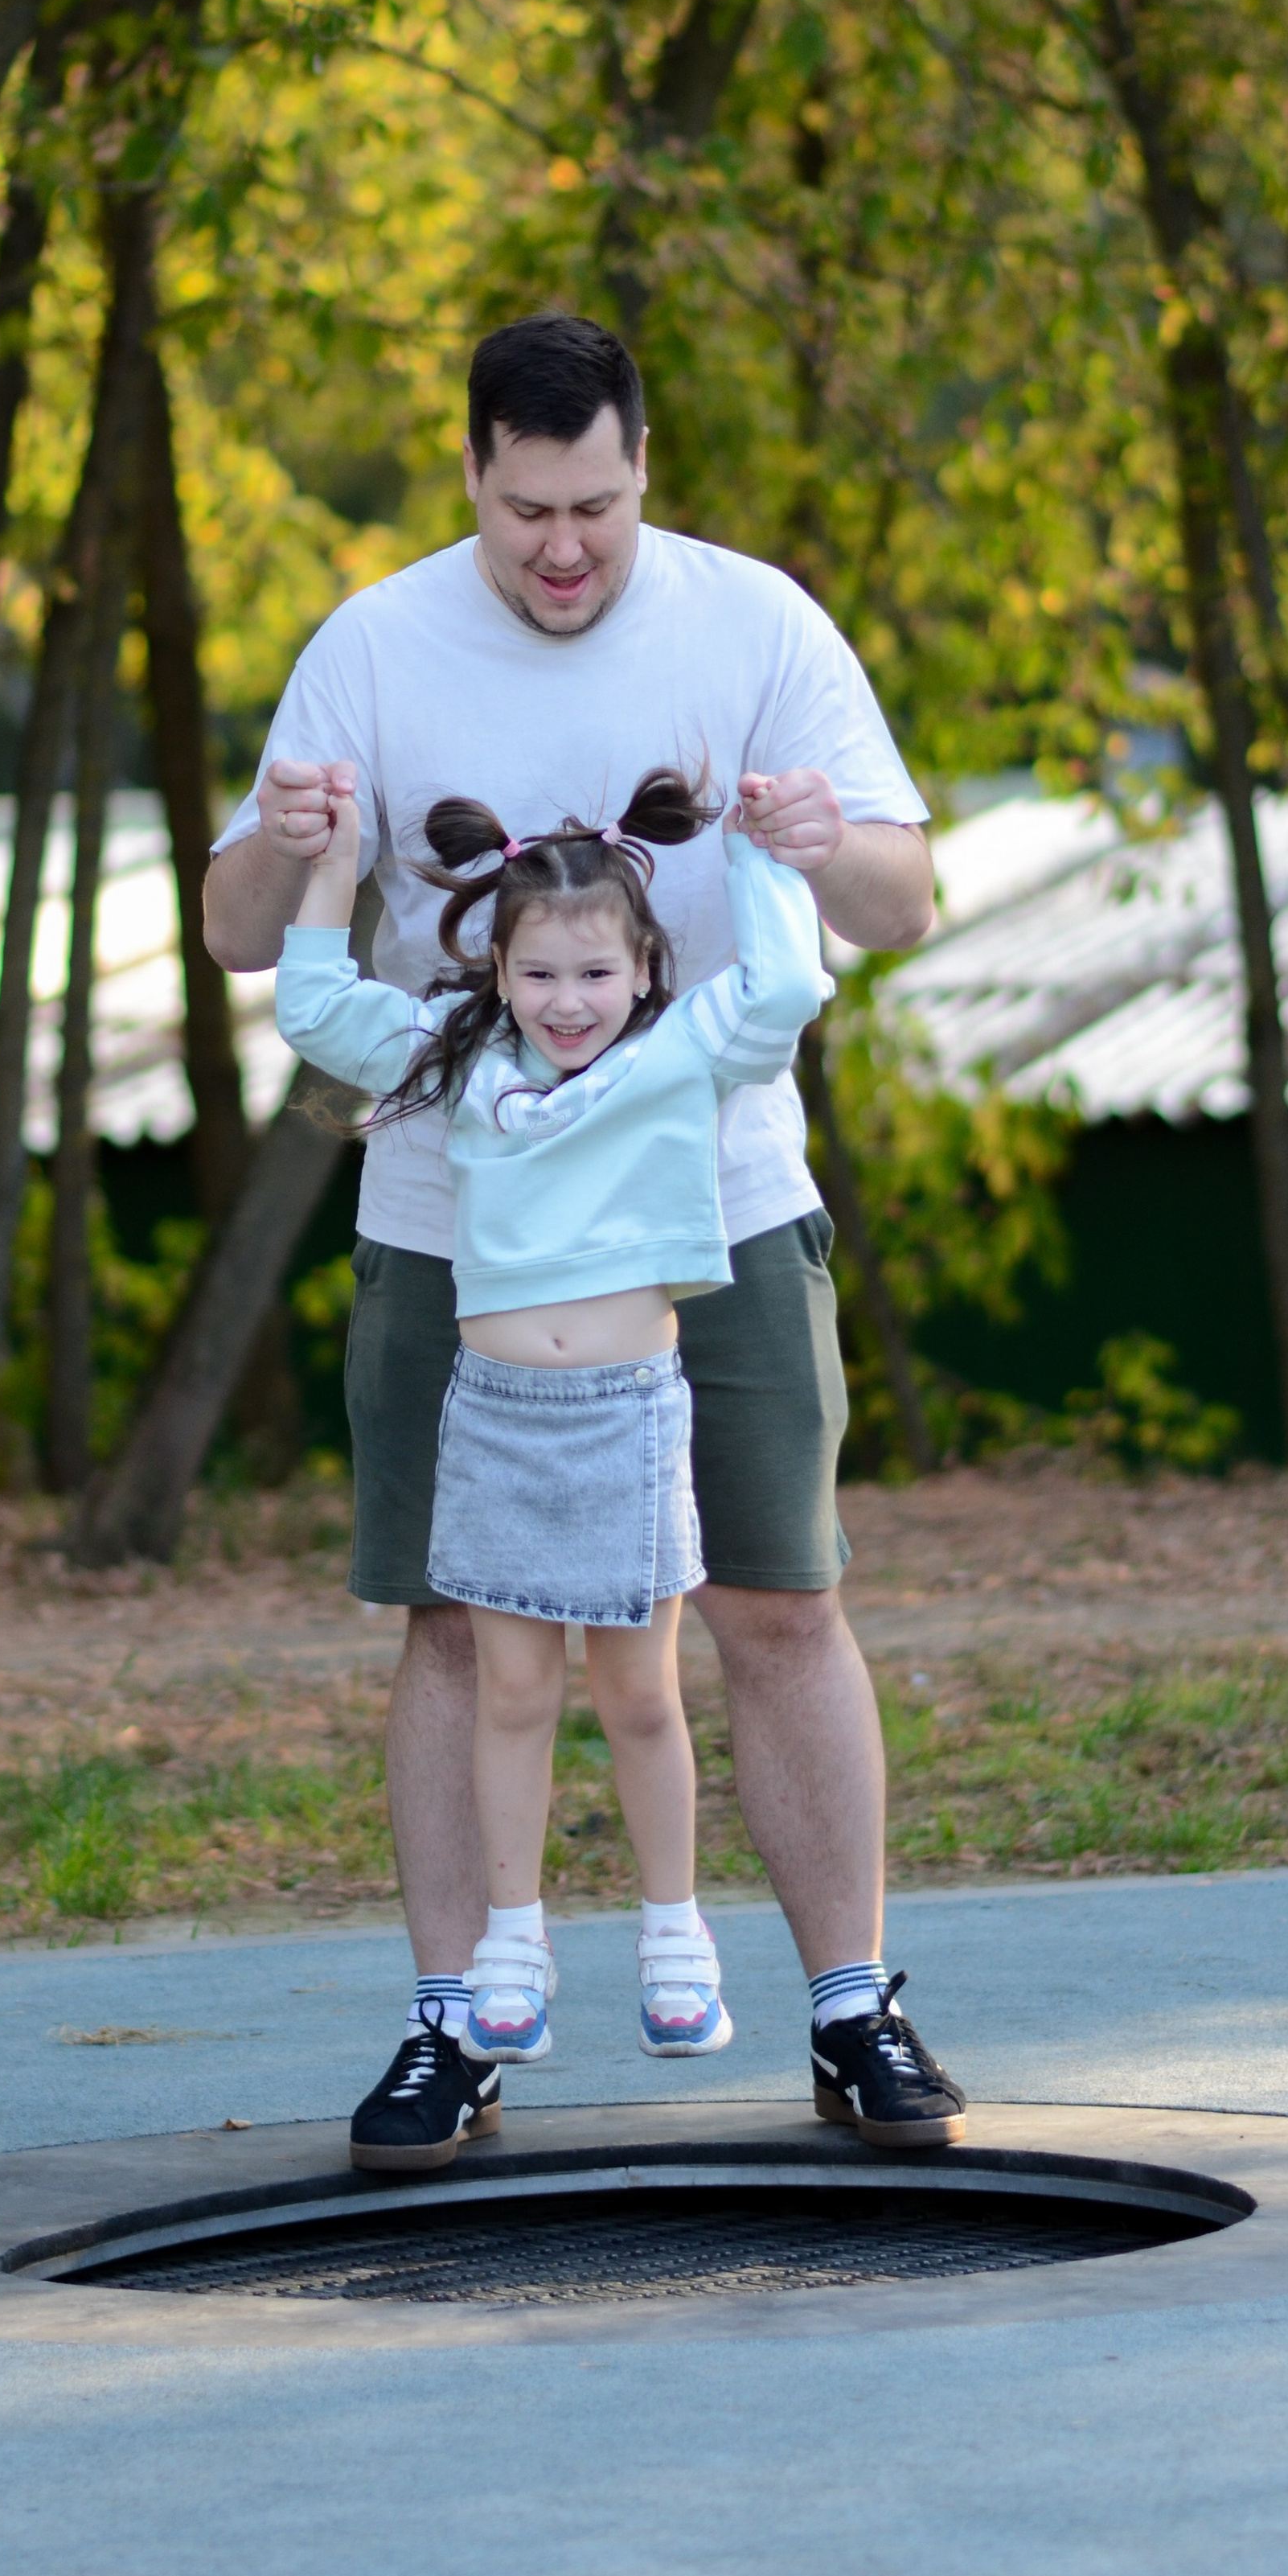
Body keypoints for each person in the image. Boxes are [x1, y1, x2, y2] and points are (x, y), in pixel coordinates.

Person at [203, 310, 967, 2171]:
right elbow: (243, 936)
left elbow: (899, 905)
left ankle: (849, 2007)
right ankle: (451, 2024)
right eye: (527, 508)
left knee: (776, 1602)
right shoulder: (371, 645)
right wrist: (292, 840)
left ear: (642, 470)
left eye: (597, 509)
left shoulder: (753, 624)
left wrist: (814, 837)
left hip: (715, 1212)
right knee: (457, 1626)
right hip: (450, 1229)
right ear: (471, 470)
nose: (563, 547)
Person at [277, 764, 822, 2137]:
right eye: (537, 974)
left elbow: (785, 990)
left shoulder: (682, 1055)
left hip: (629, 1417)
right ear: (498, 972)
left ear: (642, 971)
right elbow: (314, 1009)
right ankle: (510, 1941)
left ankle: (674, 1930)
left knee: (639, 1695)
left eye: (593, 972)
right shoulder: (465, 1064)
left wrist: (761, 853)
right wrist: (331, 867)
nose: (566, 1000)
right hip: (498, 1421)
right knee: (512, 1692)